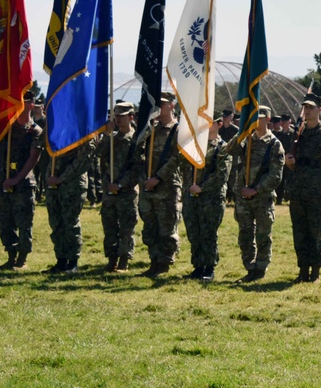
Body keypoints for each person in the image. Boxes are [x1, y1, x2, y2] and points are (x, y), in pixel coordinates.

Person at [285, 93, 321, 282]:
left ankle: (315, 271)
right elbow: (293, 164)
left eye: (311, 108)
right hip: (298, 187)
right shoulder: (298, 133)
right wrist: (289, 162)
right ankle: (302, 270)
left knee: (316, 231)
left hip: (318, 189)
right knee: (299, 230)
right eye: (305, 107)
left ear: (320, 110)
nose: (307, 111)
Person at [233, 105, 285, 282]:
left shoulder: (274, 144)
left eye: (260, 118)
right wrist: (240, 132)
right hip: (243, 196)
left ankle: (260, 268)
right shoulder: (246, 140)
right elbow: (229, 150)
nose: (256, 121)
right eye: (253, 118)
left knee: (263, 234)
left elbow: (276, 175)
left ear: (268, 120)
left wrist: (255, 189)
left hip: (262, 197)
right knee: (245, 234)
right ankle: (249, 267)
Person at [0, 91, 44, 271]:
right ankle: (10, 255)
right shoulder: (7, 128)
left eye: (25, 101)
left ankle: (22, 258)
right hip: (5, 179)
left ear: (32, 105)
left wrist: (16, 179)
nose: (20, 105)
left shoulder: (35, 131)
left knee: (24, 222)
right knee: (5, 221)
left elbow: (33, 158)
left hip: (23, 183)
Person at [180, 116, 232, 282]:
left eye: (211, 121)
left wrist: (202, 188)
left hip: (211, 198)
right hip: (191, 197)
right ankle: (197, 266)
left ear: (219, 124)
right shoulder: (193, 145)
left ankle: (209, 267)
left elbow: (222, 174)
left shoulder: (223, 147)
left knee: (208, 233)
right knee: (194, 232)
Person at [139, 92, 184, 277]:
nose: (158, 108)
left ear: (172, 106)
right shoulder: (150, 129)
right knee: (150, 226)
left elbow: (177, 158)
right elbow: (140, 154)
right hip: (148, 185)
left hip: (167, 186)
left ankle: (164, 263)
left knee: (167, 226)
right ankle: (154, 261)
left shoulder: (178, 130)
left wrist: (159, 177)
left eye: (163, 104)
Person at [98, 101, 144, 273]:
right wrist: (106, 134)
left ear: (131, 117)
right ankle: (111, 259)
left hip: (127, 191)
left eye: (121, 116)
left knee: (126, 228)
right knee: (109, 227)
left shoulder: (137, 140)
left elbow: (137, 168)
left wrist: (120, 185)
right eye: (116, 116)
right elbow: (98, 154)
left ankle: (124, 260)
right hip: (110, 190)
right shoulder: (112, 139)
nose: (117, 119)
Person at [45, 130, 98, 274]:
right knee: (56, 222)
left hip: (72, 183)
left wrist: (62, 178)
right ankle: (61, 260)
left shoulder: (85, 129)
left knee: (70, 221)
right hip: (52, 180)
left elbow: (83, 160)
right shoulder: (60, 126)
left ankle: (73, 262)